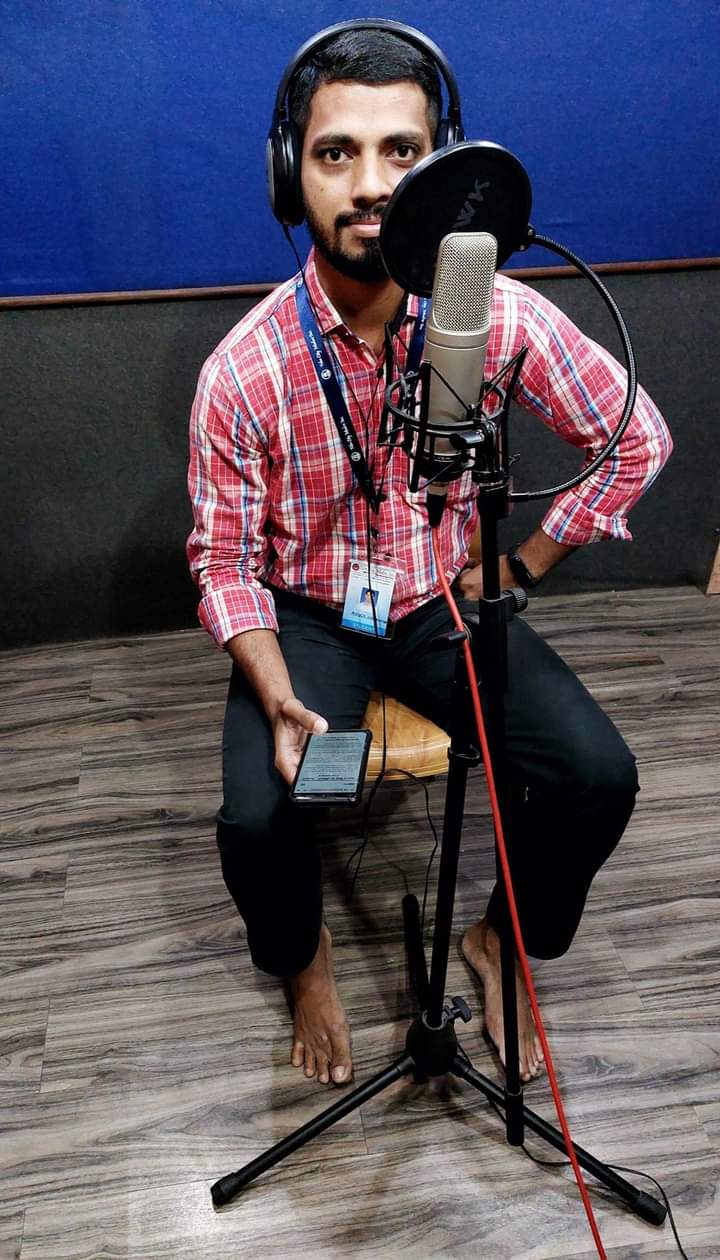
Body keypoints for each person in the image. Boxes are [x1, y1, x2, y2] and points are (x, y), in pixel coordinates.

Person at [186, 23, 672, 1088]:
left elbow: (638, 438)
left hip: (438, 605)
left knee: (597, 777)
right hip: (310, 617)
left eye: (400, 151)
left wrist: (524, 563)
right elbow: (223, 562)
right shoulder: (245, 369)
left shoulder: (494, 317)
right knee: (260, 818)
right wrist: (274, 690)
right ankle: (303, 957)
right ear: (290, 172)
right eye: (336, 152)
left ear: (443, 170)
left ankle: (501, 941)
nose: (370, 184)